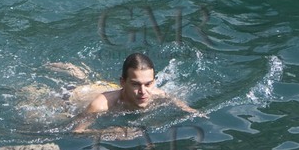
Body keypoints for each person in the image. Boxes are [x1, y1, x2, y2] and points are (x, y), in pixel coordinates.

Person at [49, 53, 196, 134]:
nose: (143, 92)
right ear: (123, 82)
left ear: (154, 82)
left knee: (95, 82)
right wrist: (111, 132)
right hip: (71, 96)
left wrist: (190, 111)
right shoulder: (101, 105)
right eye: (135, 84)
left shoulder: (155, 93)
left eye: (148, 84)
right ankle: (72, 73)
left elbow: (172, 99)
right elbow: (77, 132)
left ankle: (79, 74)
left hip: (109, 88)